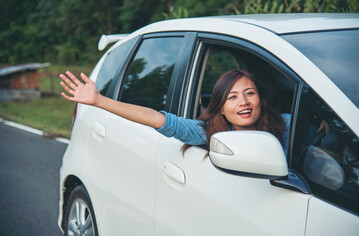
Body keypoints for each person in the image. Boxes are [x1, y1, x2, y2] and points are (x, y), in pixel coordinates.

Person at [60, 69, 290, 154]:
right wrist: (99, 100)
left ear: (260, 97)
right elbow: (158, 119)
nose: (244, 102)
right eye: (233, 97)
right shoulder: (207, 133)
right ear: (220, 107)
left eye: (250, 93)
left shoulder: (288, 125)